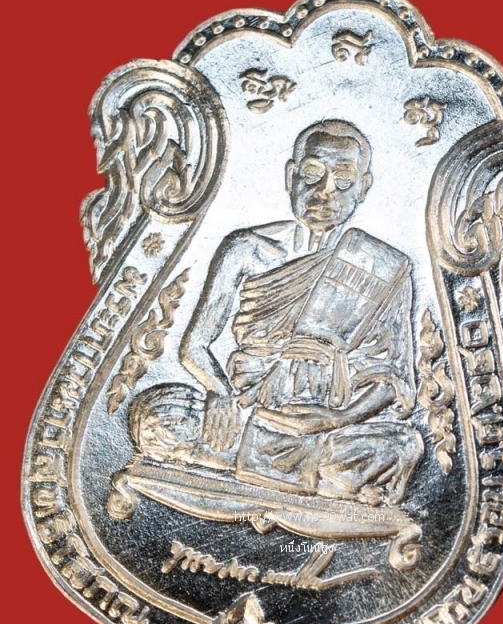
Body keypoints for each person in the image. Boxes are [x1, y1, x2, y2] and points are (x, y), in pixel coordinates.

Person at [135, 120, 422, 506]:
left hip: (324, 419)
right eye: (313, 174)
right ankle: (324, 481)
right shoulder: (245, 248)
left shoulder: (384, 265)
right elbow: (195, 346)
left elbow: (394, 377)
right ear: (291, 176)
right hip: (248, 404)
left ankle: (265, 467)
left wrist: (335, 419)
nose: (326, 191)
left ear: (363, 187)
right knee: (158, 420)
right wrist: (220, 393)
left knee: (404, 444)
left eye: (343, 180)